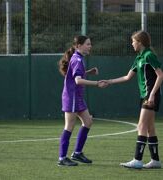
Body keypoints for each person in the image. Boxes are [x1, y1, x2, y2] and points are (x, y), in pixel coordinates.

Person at [101, 30, 163, 169]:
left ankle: (137, 160)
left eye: (133, 41)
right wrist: (109, 81)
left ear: (140, 42)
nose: (132, 44)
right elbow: (127, 77)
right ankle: (156, 161)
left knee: (141, 126)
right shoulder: (139, 58)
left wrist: (152, 94)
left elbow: (160, 75)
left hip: (150, 96)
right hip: (145, 96)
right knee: (150, 128)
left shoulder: (148, 55)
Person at [57, 35, 105, 166]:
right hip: (71, 97)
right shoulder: (77, 59)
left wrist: (88, 72)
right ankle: (62, 158)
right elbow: (77, 81)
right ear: (78, 46)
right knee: (69, 126)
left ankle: (77, 153)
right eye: (88, 44)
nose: (90, 46)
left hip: (77, 97)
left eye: (90, 44)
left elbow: (74, 75)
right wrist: (97, 83)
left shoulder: (78, 58)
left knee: (88, 121)